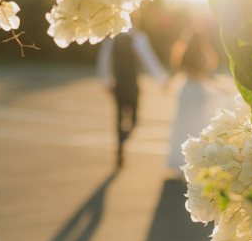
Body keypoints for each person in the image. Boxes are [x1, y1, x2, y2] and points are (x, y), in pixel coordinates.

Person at [97, 20, 168, 168]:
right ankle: (122, 143)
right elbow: (148, 59)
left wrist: (106, 80)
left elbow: (104, 60)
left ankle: (121, 143)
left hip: (120, 84)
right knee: (133, 119)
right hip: (129, 84)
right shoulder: (136, 37)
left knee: (120, 117)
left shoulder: (118, 38)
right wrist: (162, 79)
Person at [166, 29, 229, 175]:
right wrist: (222, 88)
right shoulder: (203, 55)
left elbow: (176, 71)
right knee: (197, 126)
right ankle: (196, 159)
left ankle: (179, 160)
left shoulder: (184, 53)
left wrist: (168, 83)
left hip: (186, 91)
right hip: (199, 93)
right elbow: (209, 76)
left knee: (182, 125)